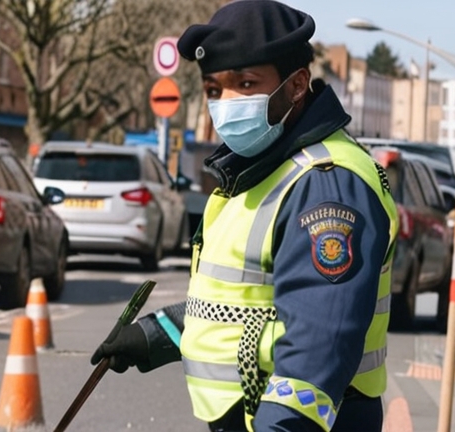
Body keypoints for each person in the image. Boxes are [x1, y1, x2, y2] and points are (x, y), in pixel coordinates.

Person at [90, 1, 399, 431]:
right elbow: (243, 306)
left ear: (296, 85)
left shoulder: (325, 184)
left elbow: (319, 346)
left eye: (247, 83)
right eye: (214, 89)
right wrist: (155, 336)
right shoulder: (260, 171)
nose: (227, 102)